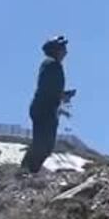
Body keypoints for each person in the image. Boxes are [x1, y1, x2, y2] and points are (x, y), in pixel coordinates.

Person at [21, 36, 75, 176]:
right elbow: (47, 88)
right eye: (63, 48)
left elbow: (48, 88)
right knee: (43, 144)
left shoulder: (51, 64)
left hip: (45, 108)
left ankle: (28, 171)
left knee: (45, 144)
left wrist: (62, 95)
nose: (66, 52)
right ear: (56, 50)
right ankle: (25, 171)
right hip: (44, 109)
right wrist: (61, 96)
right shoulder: (52, 64)